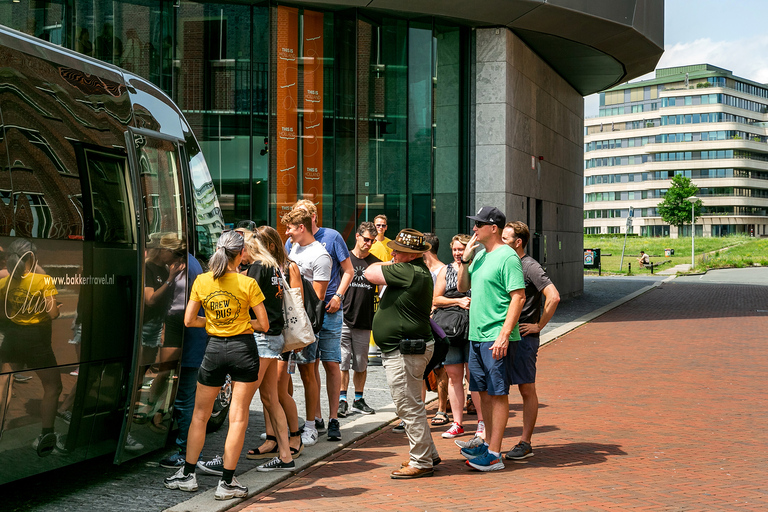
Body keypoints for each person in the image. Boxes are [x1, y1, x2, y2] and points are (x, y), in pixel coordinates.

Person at [163, 230, 269, 500]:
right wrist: (240, 324)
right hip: (243, 349)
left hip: (213, 349)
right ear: (241, 254)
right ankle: (227, 482)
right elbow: (264, 325)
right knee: (238, 418)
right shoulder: (248, 284)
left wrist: (214, 323)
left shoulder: (202, 280)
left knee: (200, 414)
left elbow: (189, 320)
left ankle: (187, 475)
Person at [365, 229, 439, 479]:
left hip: (405, 349)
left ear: (411, 255)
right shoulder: (413, 269)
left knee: (408, 406)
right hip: (406, 347)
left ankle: (421, 461)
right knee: (412, 404)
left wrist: (390, 262)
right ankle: (429, 453)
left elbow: (369, 272)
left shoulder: (409, 270)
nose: (393, 253)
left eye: (398, 250)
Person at [456, 206, 525, 472]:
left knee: (498, 394)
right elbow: (462, 287)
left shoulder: (507, 257)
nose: (474, 229)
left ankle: (495, 454)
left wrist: (504, 335)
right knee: (483, 392)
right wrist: (465, 259)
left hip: (495, 337)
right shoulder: (481, 256)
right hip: (476, 336)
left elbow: (518, 296)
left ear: (492, 227)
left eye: (479, 224)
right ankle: (487, 446)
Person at [287, 199, 353, 442]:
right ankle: (314, 419)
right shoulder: (292, 242)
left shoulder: (332, 238)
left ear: (313, 217)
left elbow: (348, 270)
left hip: (329, 308)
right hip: (306, 312)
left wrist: (338, 296)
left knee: (331, 362)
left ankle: (334, 417)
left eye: (304, 213)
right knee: (309, 365)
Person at [237, 229, 303, 470]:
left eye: (239, 252)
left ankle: (226, 461)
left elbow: (244, 299)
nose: (238, 257)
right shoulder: (273, 266)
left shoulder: (256, 267)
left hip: (261, 337)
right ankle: (285, 456)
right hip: (274, 336)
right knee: (270, 397)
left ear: (246, 250)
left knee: (241, 401)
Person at [501, 221, 560, 461]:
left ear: (518, 242)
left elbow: (553, 297)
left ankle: (525, 442)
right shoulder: (506, 263)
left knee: (526, 388)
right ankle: (491, 440)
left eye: (505, 239)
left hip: (524, 337)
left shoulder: (530, 266)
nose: (501, 243)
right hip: (504, 334)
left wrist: (538, 325)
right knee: (497, 389)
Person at [0, 240, 63, 453]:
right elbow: (53, 313)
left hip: (13, 337)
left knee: (5, 384)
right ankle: (46, 434)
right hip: (37, 340)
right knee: (53, 387)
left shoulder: (4, 282)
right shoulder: (43, 281)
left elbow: (3, 313)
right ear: (31, 258)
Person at [282, 208, 331, 446]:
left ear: (302, 227)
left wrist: (304, 328)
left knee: (308, 373)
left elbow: (318, 297)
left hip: (307, 323)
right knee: (285, 374)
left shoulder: (320, 255)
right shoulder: (294, 247)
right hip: (289, 321)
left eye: (290, 227)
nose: (287, 232)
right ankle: (289, 424)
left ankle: (311, 425)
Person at [433, 234, 486, 441]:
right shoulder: (445, 270)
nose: (457, 253)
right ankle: (457, 423)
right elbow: (436, 299)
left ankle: (482, 421)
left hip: (474, 328)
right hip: (452, 330)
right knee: (454, 377)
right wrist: (458, 302)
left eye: (461, 249)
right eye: (455, 249)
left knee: (474, 377)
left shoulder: (478, 268)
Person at [159, 249, 207, 469]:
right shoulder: (190, 263)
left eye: (161, 249)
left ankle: (186, 452)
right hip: (191, 337)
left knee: (185, 397)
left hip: (191, 338)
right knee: (186, 396)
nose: (158, 253)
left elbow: (185, 310)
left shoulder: (188, 268)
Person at [338, 222, 380, 418]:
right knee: (343, 362)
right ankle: (342, 400)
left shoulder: (375, 263)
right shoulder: (345, 259)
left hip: (364, 320)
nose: (368, 244)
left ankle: (358, 399)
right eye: (366, 239)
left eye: (372, 240)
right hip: (343, 318)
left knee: (361, 364)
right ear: (357, 236)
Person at [421, 233, 449, 427]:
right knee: (420, 369)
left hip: (438, 324)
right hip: (421, 323)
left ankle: (441, 409)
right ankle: (419, 410)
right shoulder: (420, 269)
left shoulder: (444, 271)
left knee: (440, 368)